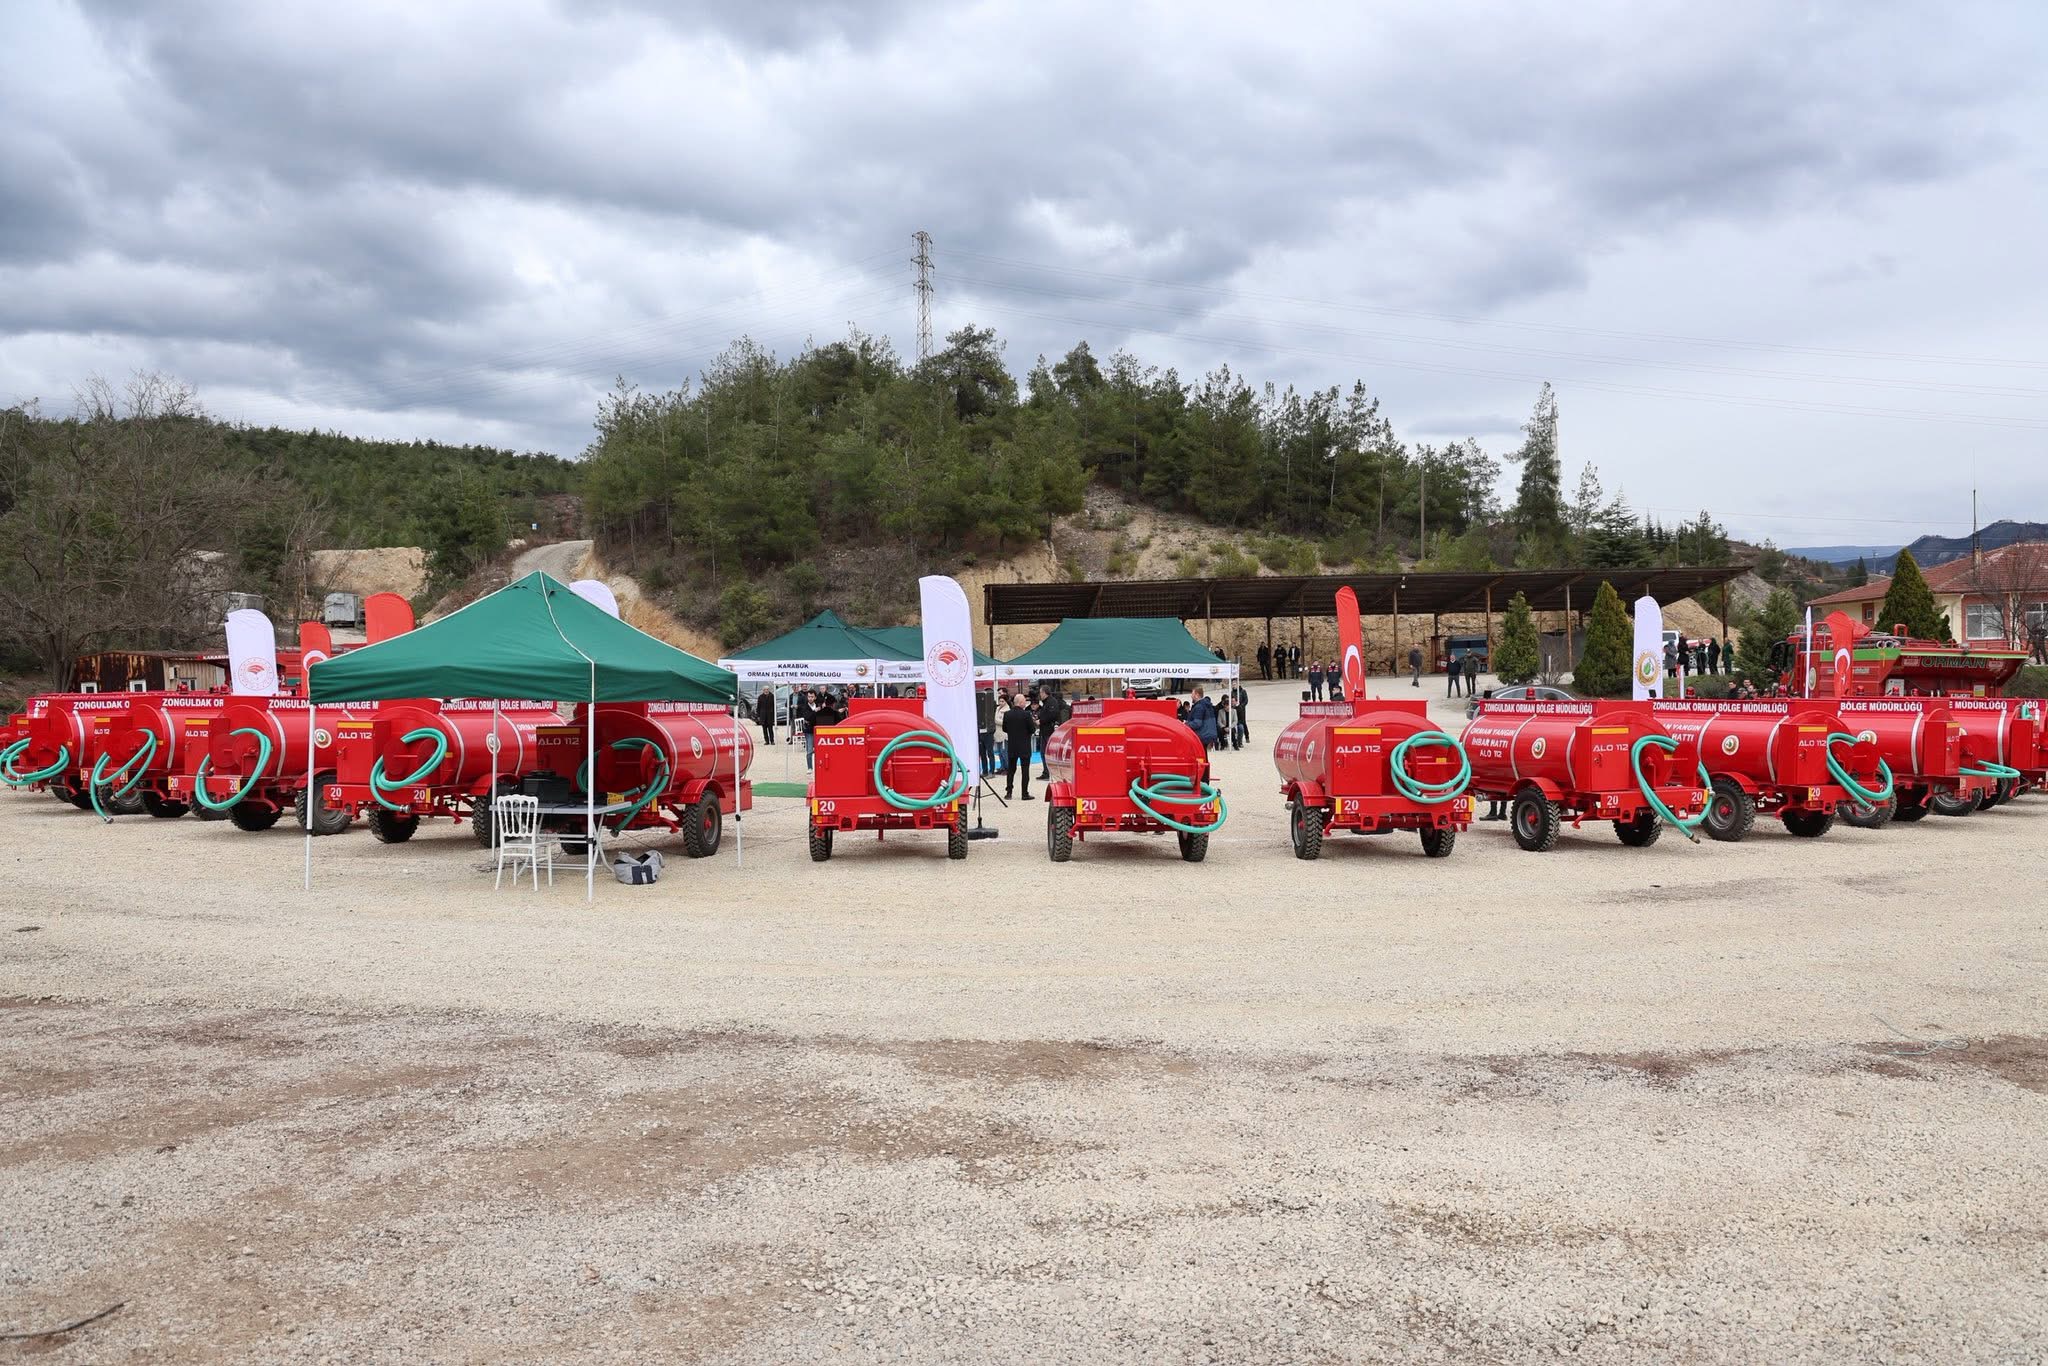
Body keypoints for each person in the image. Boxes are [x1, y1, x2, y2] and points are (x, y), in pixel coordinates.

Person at [1001, 693, 1037, 800]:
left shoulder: (1007, 714)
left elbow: (1004, 728)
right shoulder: (1026, 715)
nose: (1025, 703)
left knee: (1011, 770)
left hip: (1012, 745)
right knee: (1025, 770)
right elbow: (1032, 729)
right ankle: (1024, 793)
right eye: (1024, 701)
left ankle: (1009, 792)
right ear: (1021, 702)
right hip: (1024, 746)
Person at [1035, 687, 1064, 781]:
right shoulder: (1046, 702)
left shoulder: (1051, 702)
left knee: (1047, 753)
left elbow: (1052, 715)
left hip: (1048, 731)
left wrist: (1041, 720)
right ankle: (1046, 772)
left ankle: (1049, 772)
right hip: (1044, 731)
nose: (1040, 695)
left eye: (1040, 693)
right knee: (1043, 752)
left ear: (1044, 693)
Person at [1186, 685, 1219, 751]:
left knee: (1199, 754)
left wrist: (1186, 724)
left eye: (1192, 694)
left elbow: (1197, 723)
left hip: (1202, 735)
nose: (1191, 696)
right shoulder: (1207, 705)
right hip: (1208, 734)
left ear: (1197, 695)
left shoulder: (1199, 707)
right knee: (1203, 754)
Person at [976, 684, 997, 777]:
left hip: (988, 732)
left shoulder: (992, 704)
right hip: (981, 731)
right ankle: (985, 771)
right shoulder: (978, 703)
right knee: (982, 753)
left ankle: (991, 771)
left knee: (990, 753)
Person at [792, 690, 816, 768]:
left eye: (812, 697)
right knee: (809, 750)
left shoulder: (818, 705)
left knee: (820, 750)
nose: (810, 698)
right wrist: (815, 712)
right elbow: (807, 717)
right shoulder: (804, 707)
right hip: (808, 730)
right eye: (809, 697)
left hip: (818, 730)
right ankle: (810, 767)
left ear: (815, 697)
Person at [1232, 683, 1249, 749]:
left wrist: (1241, 706)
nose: (1234, 686)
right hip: (1234, 708)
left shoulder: (1243, 691)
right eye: (1233, 684)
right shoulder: (1232, 692)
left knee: (1243, 723)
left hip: (1241, 709)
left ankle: (1247, 736)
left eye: (1235, 684)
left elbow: (1246, 700)